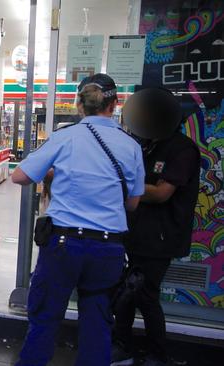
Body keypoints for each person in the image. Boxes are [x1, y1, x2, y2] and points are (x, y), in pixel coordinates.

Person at [12, 73, 145, 366]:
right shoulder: (131, 146)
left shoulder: (65, 137)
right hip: (108, 249)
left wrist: (58, 174)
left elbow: (20, 176)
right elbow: (133, 203)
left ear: (79, 105)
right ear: (115, 104)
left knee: (45, 317)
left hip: (63, 244)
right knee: (98, 322)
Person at [111, 91, 201, 366]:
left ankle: (156, 354)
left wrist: (122, 187)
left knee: (145, 294)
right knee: (125, 293)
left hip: (160, 236)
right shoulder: (145, 143)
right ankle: (122, 345)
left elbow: (162, 193)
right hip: (134, 232)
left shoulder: (182, 150)